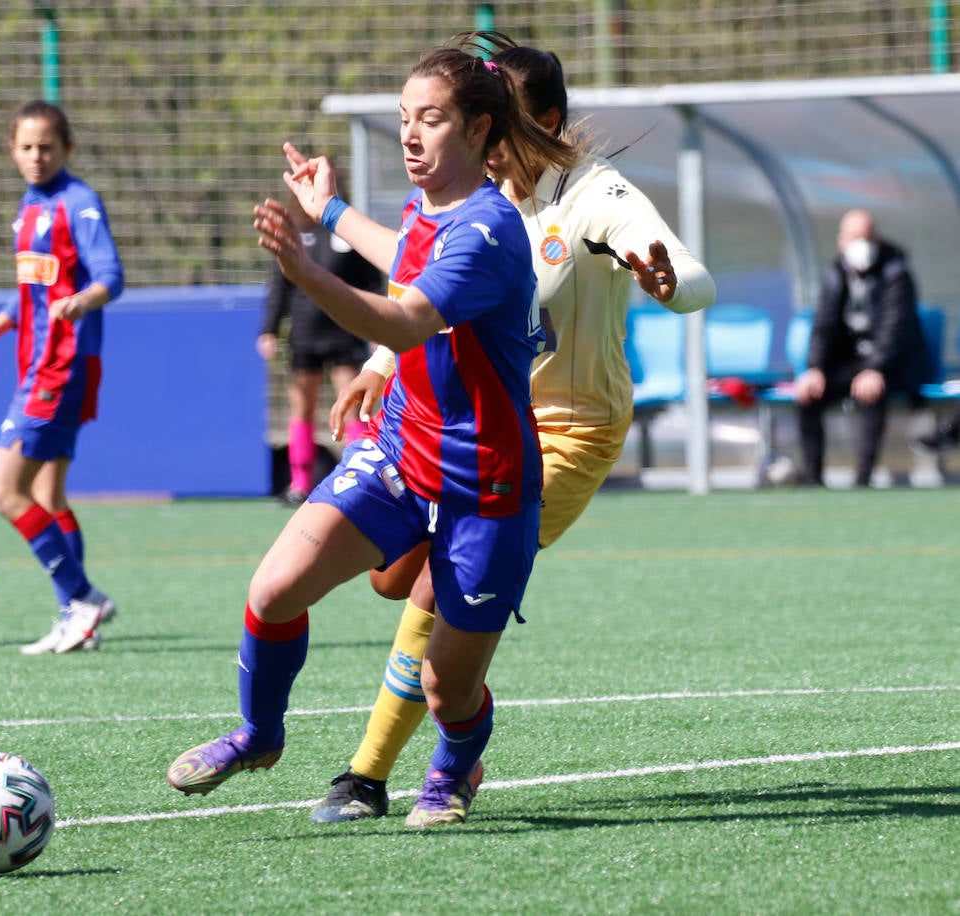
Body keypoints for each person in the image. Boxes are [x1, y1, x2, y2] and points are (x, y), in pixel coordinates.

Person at [166, 35, 581, 827]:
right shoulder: (430, 208)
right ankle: (260, 733)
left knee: (444, 687)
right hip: (399, 455)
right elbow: (402, 256)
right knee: (273, 591)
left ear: (480, 130)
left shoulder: (491, 231)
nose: (411, 134)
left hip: (486, 485)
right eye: (405, 117)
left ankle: (455, 770)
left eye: (431, 119)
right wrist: (328, 212)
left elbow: (406, 315)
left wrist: (307, 269)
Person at [306, 39, 717, 823]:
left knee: (429, 590)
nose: (481, 139)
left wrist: (668, 281)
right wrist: (379, 365)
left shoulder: (591, 193)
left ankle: (380, 774)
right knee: (391, 578)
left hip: (568, 431)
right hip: (467, 426)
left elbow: (689, 274)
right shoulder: (470, 197)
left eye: (498, 125)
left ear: (545, 124)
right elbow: (421, 291)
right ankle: (453, 725)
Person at [0, 100, 123, 656]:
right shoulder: (29, 207)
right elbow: (33, 288)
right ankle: (74, 617)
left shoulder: (78, 203)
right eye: (26, 147)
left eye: (47, 147)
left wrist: (83, 301)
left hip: (61, 365)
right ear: (12, 150)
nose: (36, 156)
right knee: (47, 492)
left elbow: (111, 274)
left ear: (67, 149)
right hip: (40, 362)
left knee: (4, 491)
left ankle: (81, 597)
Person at [258, 168, 382, 505]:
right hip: (305, 336)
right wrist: (268, 329)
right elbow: (279, 287)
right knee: (303, 408)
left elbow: (372, 283)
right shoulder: (294, 235)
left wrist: (376, 329)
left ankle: (363, 479)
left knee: (351, 406)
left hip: (344, 332)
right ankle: (300, 483)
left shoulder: (348, 233)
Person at [794, 209, 924, 487]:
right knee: (808, 396)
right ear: (841, 241)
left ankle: (862, 479)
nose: (860, 244)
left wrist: (876, 368)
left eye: (866, 237)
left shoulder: (896, 272)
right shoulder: (834, 273)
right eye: (854, 237)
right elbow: (824, 324)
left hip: (891, 362)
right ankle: (812, 477)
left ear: (877, 239)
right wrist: (815, 367)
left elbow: (896, 328)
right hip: (849, 360)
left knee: (871, 392)